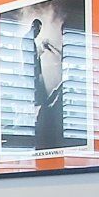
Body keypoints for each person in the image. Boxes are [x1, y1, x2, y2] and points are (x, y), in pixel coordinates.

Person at [26, 17, 67, 150]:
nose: (38, 32)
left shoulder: (31, 41)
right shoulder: (27, 41)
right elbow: (31, 59)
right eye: (38, 29)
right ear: (34, 27)